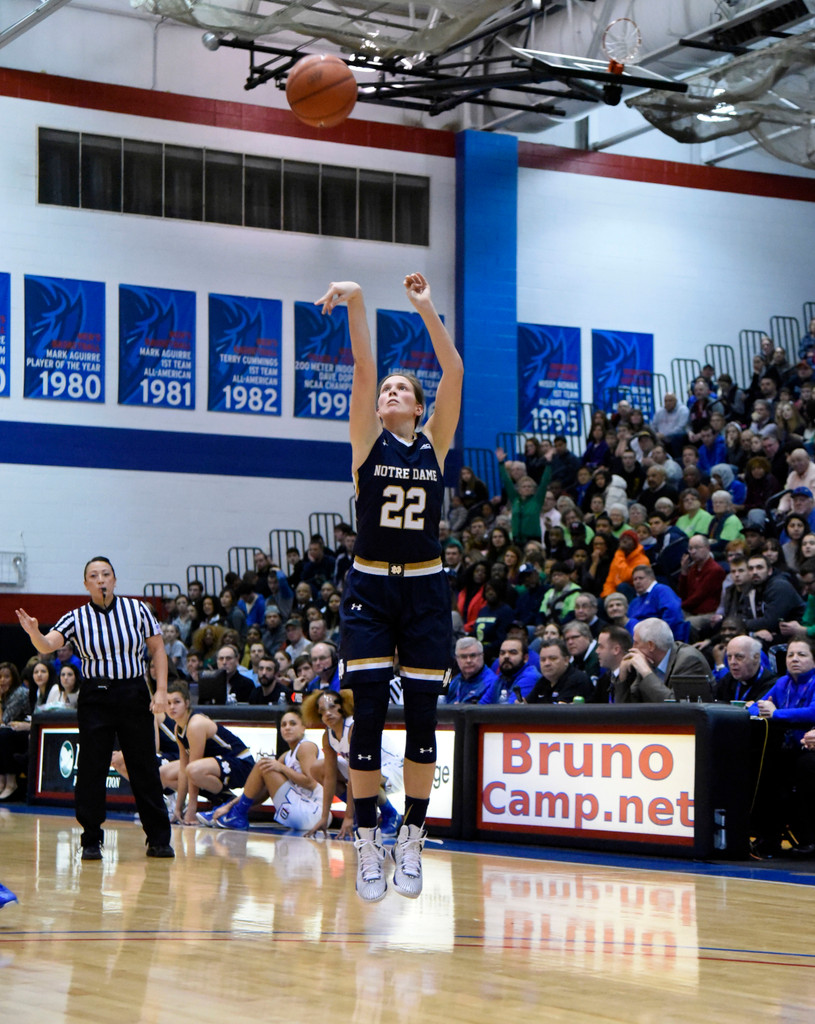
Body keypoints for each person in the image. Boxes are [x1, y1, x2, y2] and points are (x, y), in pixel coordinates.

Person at [315, 272, 461, 902]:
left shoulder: (436, 443)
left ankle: (414, 838)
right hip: (371, 589)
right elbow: (364, 363)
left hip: (426, 589)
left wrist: (427, 310)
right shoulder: (364, 443)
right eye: (386, 390)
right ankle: (368, 839)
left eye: (403, 388)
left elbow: (452, 370)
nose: (390, 392)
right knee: (369, 719)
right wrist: (358, 301)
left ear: (419, 406)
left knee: (424, 721)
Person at [15, 556, 174, 859]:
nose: (101, 580)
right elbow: (48, 645)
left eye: (106, 574)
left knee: (143, 766)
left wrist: (161, 692)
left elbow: (158, 650)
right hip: (96, 696)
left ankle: (158, 838)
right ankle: (90, 838)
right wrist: (35, 632)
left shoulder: (138, 610)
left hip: (132, 691)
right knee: (91, 768)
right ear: (85, 583)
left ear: (115, 579)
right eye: (94, 575)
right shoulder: (75, 617)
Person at [303, 689, 403, 846]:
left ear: (342, 706)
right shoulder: (327, 735)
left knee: (361, 777)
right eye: (322, 711)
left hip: (394, 767)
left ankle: (391, 815)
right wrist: (323, 817)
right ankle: (359, 812)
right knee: (317, 768)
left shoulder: (353, 728)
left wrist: (348, 816)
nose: (327, 713)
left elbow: (354, 775)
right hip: (367, 770)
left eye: (332, 707)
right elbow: (329, 777)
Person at [198, 707, 322, 831]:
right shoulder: (286, 756)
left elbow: (310, 782)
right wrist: (230, 805)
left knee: (263, 764)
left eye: (293, 724)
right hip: (301, 810)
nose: (287, 727)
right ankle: (231, 812)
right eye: (283, 725)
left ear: (304, 727)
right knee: (264, 769)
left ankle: (236, 815)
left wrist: (282, 768)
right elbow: (262, 791)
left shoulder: (306, 747)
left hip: (312, 812)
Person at [749, 639, 815, 858]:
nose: (795, 659)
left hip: (808, 750)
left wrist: (776, 713)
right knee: (764, 768)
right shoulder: (782, 683)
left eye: (802, 655)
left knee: (804, 767)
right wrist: (757, 708)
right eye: (790, 655)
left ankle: (808, 839)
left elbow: (812, 713)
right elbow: (757, 705)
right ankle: (768, 838)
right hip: (789, 749)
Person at [165, 680, 255, 825]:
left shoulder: (195, 724)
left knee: (193, 770)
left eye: (176, 702)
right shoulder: (178, 728)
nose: (172, 707)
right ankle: (224, 800)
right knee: (167, 774)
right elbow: (183, 769)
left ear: (187, 703)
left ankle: (228, 801)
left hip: (242, 764)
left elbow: (192, 770)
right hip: (221, 766)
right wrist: (178, 808)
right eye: (168, 703)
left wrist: (192, 811)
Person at [615, 617, 713, 703]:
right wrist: (623, 678)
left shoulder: (689, 660)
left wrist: (646, 672)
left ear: (651, 645)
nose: (632, 648)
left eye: (636, 643)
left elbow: (677, 709)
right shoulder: (648, 661)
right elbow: (627, 710)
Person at [446, 636, 498, 705]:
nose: (468, 660)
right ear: (456, 659)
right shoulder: (454, 681)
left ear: (482, 656)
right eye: (463, 657)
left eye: (473, 656)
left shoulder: (492, 683)